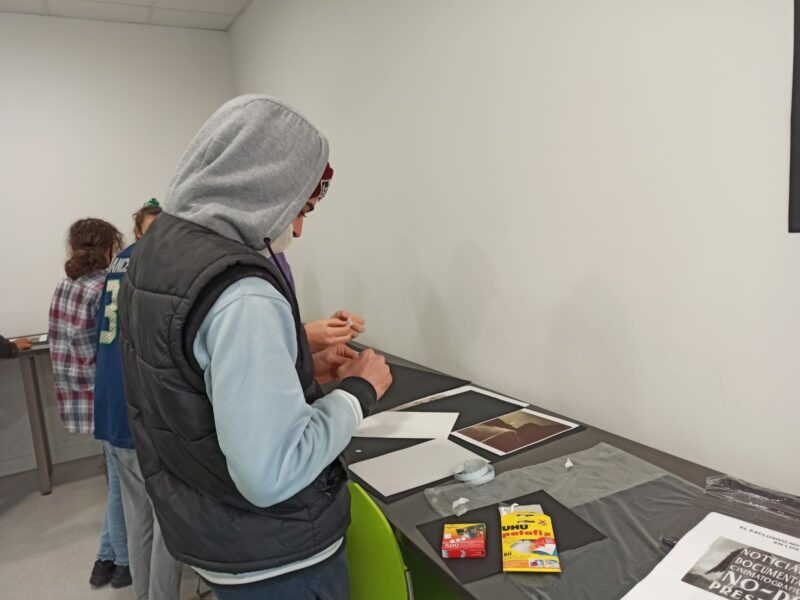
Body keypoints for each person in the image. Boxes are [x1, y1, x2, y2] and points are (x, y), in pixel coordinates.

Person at [118, 95, 392, 599]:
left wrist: (294, 369)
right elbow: (271, 473)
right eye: (300, 209)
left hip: (210, 522)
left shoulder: (158, 251)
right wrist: (359, 392)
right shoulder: (243, 293)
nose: (298, 229)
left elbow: (187, 381)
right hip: (278, 554)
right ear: (262, 187)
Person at [94, 199, 183, 600]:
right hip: (141, 410)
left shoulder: (119, 263)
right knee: (169, 522)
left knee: (137, 518)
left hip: (111, 406)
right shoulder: (159, 263)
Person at [48, 218, 131, 589]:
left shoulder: (64, 287)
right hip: (108, 397)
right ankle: (123, 561)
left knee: (116, 480)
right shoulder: (105, 288)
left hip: (82, 398)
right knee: (121, 485)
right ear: (112, 248)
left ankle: (105, 558)